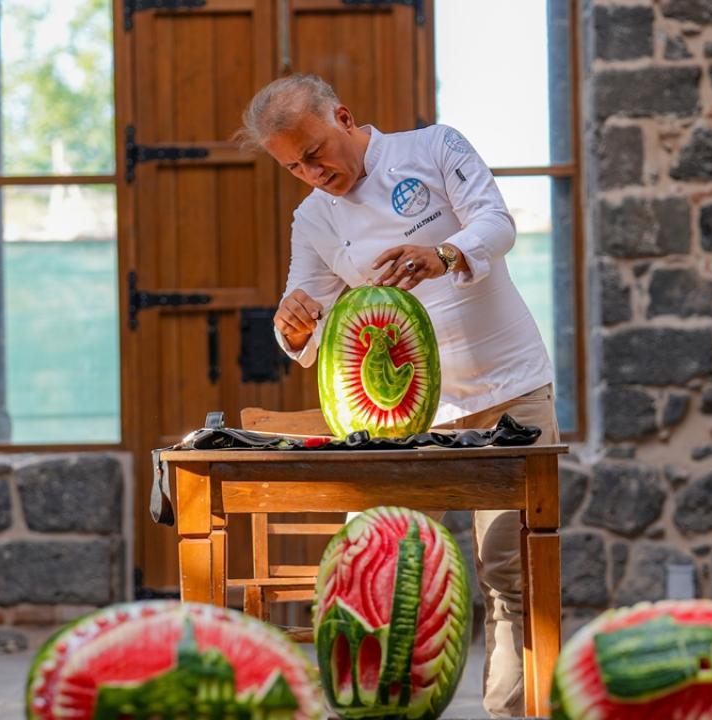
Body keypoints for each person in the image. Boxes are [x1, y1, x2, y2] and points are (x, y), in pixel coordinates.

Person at [236, 74, 556, 717]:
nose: (311, 172)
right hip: (402, 419)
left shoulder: (434, 148)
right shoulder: (314, 219)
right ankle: (370, 711)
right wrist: (291, 326)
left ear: (345, 117)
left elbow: (495, 223)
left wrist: (444, 253)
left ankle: (515, 712)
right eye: (294, 166)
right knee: (375, 577)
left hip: (509, 389)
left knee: (510, 574)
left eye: (316, 151)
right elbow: (312, 316)